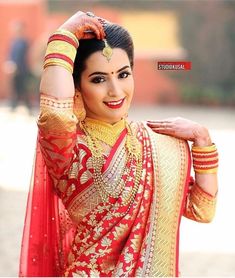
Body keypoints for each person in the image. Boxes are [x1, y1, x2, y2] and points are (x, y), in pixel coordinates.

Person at [19, 11, 218, 277]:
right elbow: (54, 114)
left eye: (123, 75)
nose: (115, 90)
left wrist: (203, 141)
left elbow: (201, 209)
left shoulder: (159, 144)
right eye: (99, 79)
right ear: (77, 88)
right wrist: (63, 36)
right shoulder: (69, 148)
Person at [5, 21, 32, 113]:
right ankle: (14, 106)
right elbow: (10, 55)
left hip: (21, 69)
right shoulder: (13, 41)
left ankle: (28, 107)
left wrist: (16, 66)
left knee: (23, 88)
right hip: (13, 69)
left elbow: (21, 56)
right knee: (15, 87)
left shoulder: (24, 42)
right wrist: (8, 63)